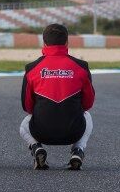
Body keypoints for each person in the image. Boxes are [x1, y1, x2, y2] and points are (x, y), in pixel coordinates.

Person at [20, 23, 95, 170]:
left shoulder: (31, 68)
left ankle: (36, 148)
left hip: (41, 131)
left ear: (44, 43)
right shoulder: (81, 66)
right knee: (88, 116)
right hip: (74, 131)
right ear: (67, 42)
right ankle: (77, 150)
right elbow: (88, 103)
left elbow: (27, 106)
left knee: (23, 125)